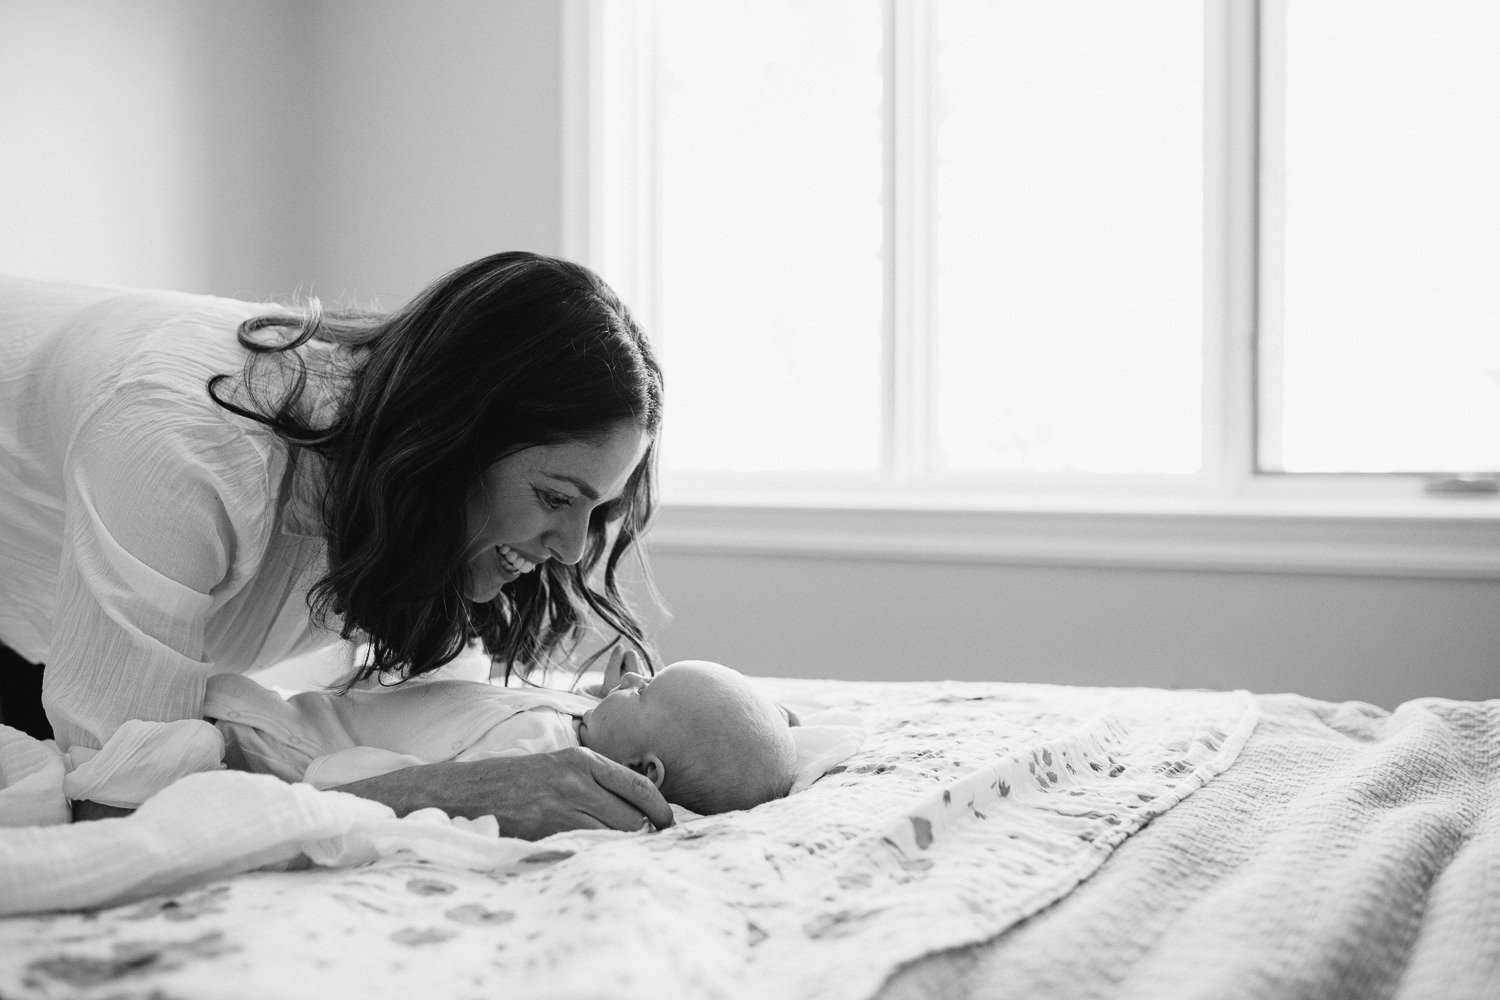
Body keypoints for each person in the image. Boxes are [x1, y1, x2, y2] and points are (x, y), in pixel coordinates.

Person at [0, 252, 674, 836]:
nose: (571, 549)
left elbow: (436, 708)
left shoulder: (410, 498)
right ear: (449, 439)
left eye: (598, 509)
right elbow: (117, 814)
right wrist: (432, 799)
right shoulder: (185, 448)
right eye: (555, 498)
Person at [205, 655, 799, 816]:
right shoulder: (578, 723)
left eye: (645, 691)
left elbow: (432, 786)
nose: (636, 675)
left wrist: (331, 781)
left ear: (646, 774)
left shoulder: (541, 757)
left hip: (285, 741)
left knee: (170, 750)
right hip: (285, 709)